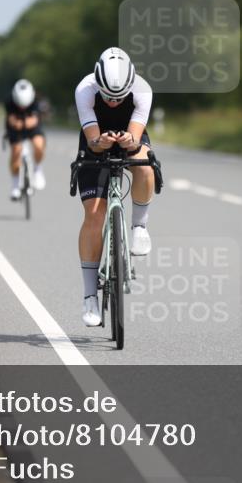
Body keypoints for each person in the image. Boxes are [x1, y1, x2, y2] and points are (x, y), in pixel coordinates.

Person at [75, 47, 155, 327]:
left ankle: (139, 227)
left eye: (118, 97)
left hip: (128, 137)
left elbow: (134, 138)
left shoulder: (142, 90)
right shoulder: (85, 90)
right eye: (107, 96)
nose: (112, 102)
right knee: (95, 215)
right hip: (95, 140)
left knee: (144, 165)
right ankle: (89, 297)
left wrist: (128, 142)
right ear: (98, 84)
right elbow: (92, 138)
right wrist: (100, 143)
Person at [5, 79, 46, 199]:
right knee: (16, 151)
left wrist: (24, 123)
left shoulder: (35, 101)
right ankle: (15, 184)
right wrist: (18, 123)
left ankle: (38, 169)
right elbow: (11, 120)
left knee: (38, 145)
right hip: (15, 129)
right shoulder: (9, 101)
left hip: (32, 128)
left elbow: (34, 120)